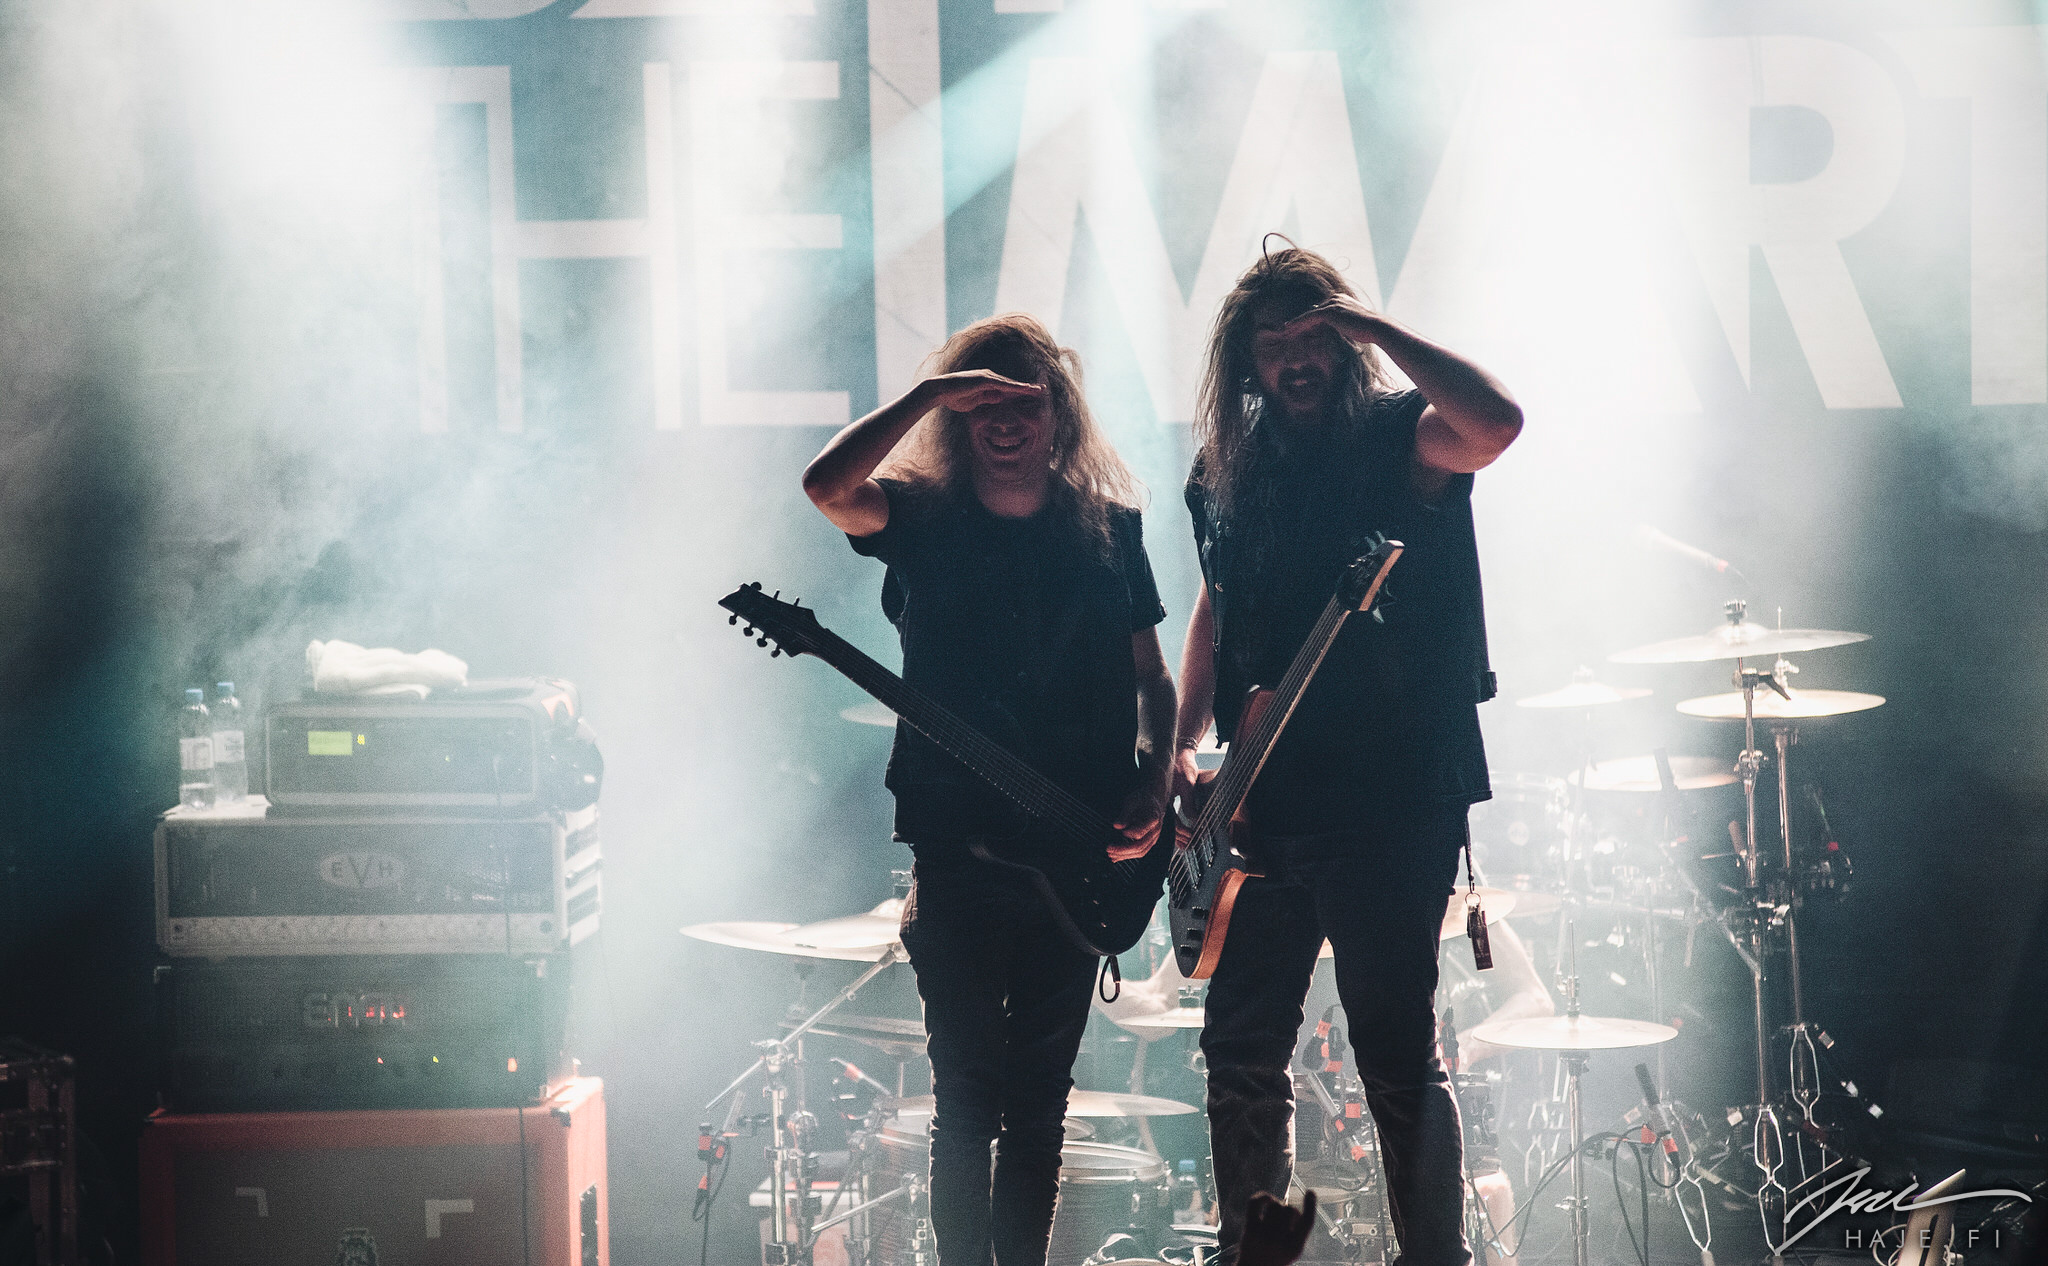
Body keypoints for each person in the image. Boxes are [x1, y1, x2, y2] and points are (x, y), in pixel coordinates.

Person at [1172, 245, 1523, 1266]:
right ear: (1243, 360)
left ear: (1343, 344)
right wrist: (1183, 742)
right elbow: (1216, 602)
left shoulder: (1398, 435)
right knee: (1239, 1049)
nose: (1295, 359)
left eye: (1313, 338)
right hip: (1258, 806)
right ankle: (1254, 1252)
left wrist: (1369, 325)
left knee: (1394, 1049)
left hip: (1391, 797)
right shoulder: (1224, 469)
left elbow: (1495, 425)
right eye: (1272, 343)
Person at [802, 313, 1177, 1266]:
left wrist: (1153, 778)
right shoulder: (921, 521)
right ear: (959, 419)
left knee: (1041, 1104)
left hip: (1079, 854)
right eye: (983, 403)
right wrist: (929, 391)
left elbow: (1153, 677)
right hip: (959, 854)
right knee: (967, 1101)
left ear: (1060, 418)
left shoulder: (1110, 531)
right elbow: (826, 488)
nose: (1005, 420)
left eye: (1025, 402)